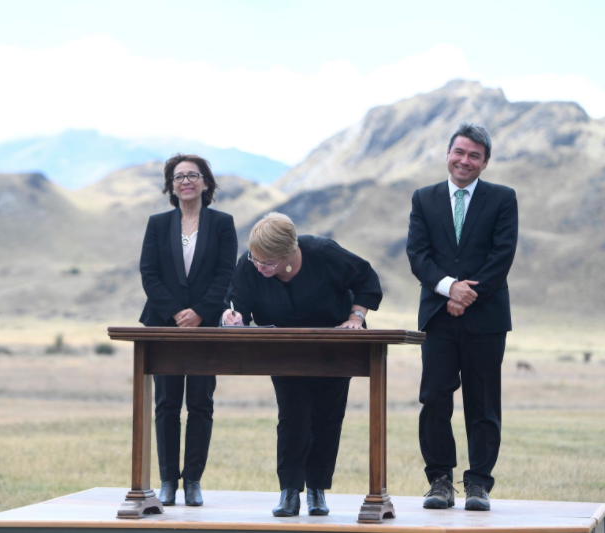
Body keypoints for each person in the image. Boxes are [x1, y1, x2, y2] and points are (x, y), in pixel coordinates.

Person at [221, 212, 382, 517]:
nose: (258, 266)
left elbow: (366, 280)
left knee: (327, 416)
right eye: (255, 260)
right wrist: (233, 317)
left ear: (288, 254)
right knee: (292, 417)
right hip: (284, 349)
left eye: (266, 262)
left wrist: (355, 318)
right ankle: (289, 491)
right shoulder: (250, 263)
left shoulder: (323, 253)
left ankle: (317, 490)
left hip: (334, 347)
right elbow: (237, 301)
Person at [405, 123, 518, 511]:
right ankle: (439, 481)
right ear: (447, 153)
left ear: (485, 163)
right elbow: (418, 255)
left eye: (474, 155)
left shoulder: (503, 198)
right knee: (434, 398)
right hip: (438, 315)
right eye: (460, 152)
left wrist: (467, 294)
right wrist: (448, 287)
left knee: (482, 402)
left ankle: (478, 485)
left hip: (485, 318)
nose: (464, 161)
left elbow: (502, 255)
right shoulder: (424, 198)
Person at [139, 153, 238, 507]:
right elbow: (149, 273)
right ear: (171, 185)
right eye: (178, 176)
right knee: (166, 405)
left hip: (206, 327)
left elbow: (226, 274)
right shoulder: (156, 224)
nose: (185, 181)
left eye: (192, 175)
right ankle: (167, 481)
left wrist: (199, 312)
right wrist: (175, 312)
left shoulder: (223, 223)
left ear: (205, 183)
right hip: (163, 328)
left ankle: (193, 480)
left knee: (200, 403)